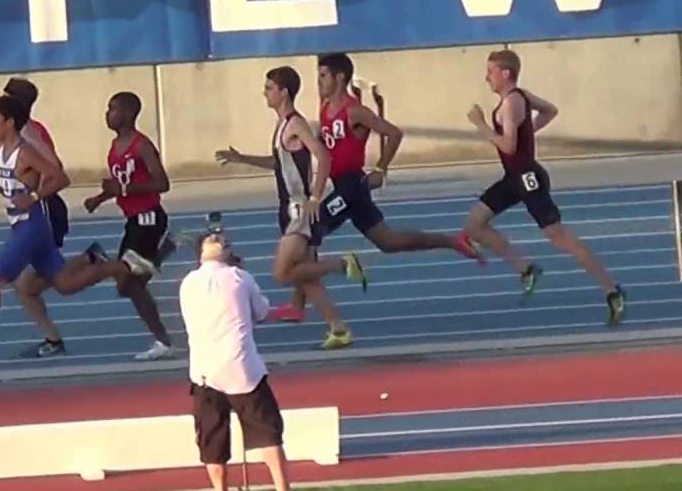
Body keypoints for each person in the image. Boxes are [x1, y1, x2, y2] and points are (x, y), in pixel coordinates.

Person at [264, 52, 483, 322]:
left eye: (323, 76)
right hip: (343, 186)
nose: (319, 82)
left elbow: (394, 133)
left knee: (310, 227)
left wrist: (380, 168)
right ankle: (453, 241)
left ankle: (320, 288)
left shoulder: (355, 111)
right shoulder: (325, 108)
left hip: (352, 186)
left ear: (339, 77)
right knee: (389, 242)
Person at [0, 96, 155, 366]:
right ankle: (118, 266)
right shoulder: (0, 150)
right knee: (65, 284)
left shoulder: (25, 151)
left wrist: (34, 196)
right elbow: (11, 185)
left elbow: (60, 177)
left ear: (10, 122)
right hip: (24, 225)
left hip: (30, 227)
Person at [464, 49, 626, 324]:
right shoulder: (521, 97)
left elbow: (508, 145)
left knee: (560, 237)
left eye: (490, 72)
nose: (486, 77)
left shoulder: (511, 104)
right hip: (513, 177)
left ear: (506, 73)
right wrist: (528, 131)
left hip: (528, 179)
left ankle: (612, 290)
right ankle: (526, 269)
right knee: (474, 224)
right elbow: (550, 111)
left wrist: (480, 124)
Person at [216, 67, 366, 349]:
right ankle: (338, 328)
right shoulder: (282, 126)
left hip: (300, 209)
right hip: (289, 208)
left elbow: (324, 157)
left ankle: (343, 264)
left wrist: (315, 197)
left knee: (282, 273)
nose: (265, 92)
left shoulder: (296, 123)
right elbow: (280, 163)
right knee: (307, 275)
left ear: (284, 92)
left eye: (269, 87)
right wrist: (242, 158)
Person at [178, 232, 316, 491]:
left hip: (204, 372)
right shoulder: (240, 278)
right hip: (243, 370)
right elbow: (260, 312)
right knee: (269, 435)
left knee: (212, 443)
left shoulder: (188, 283)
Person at [78, 91, 177, 360]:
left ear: (129, 113)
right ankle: (163, 250)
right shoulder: (114, 147)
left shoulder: (142, 146)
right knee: (126, 286)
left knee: (130, 283)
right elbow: (120, 187)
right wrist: (100, 198)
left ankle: (163, 341)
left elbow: (162, 183)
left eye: (113, 109)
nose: (107, 114)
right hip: (133, 221)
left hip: (149, 219)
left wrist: (122, 188)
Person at [0, 77, 75, 359]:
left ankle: (95, 262)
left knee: (27, 284)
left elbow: (56, 170)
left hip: (44, 212)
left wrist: (33, 195)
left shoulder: (30, 135)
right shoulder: (23, 132)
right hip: (33, 214)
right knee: (29, 284)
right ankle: (52, 340)